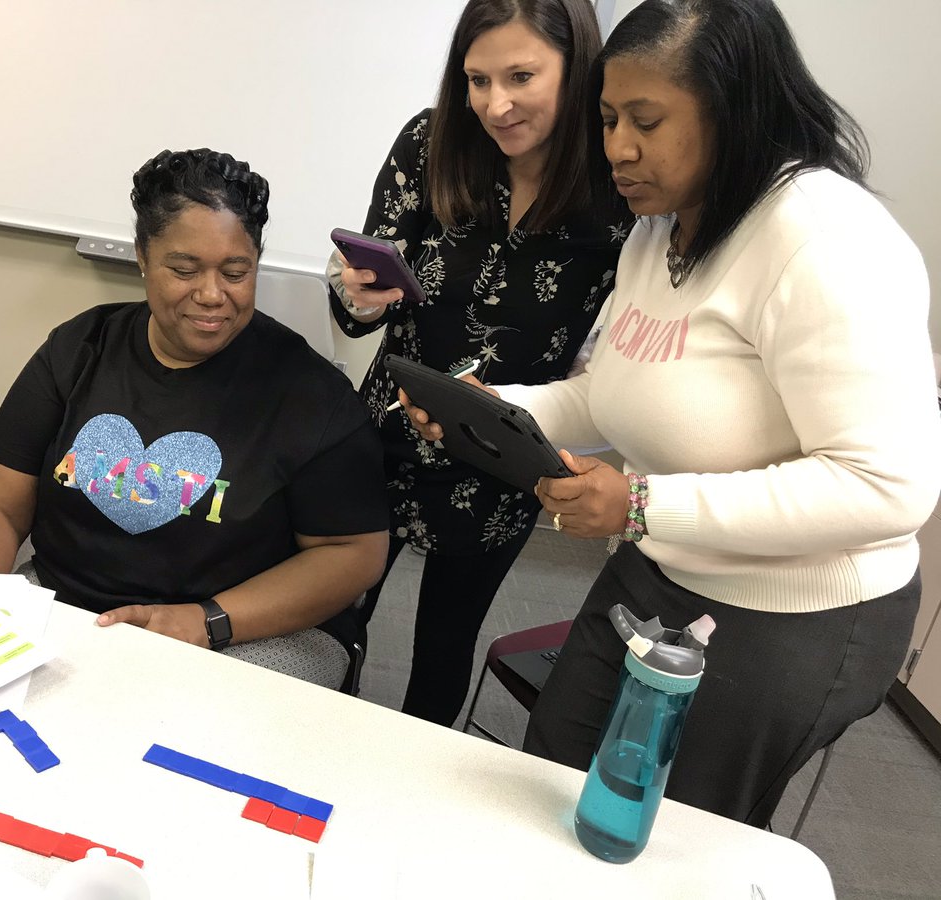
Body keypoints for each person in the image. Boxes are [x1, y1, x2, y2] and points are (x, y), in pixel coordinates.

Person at [403, 0, 941, 826]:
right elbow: (610, 391)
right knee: (555, 779)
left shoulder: (827, 241)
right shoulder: (659, 231)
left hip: (797, 610)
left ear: (736, 115)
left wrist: (645, 502)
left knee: (667, 834)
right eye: (610, 118)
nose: (616, 147)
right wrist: (493, 405)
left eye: (645, 122)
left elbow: (887, 486)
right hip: (666, 567)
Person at [0, 148, 389, 688]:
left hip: (245, 629)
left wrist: (206, 622)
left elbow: (354, 554)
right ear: (141, 257)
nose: (211, 295)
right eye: (183, 270)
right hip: (71, 603)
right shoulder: (79, 350)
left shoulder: (312, 395)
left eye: (235, 272)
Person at [327, 0, 630, 725]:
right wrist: (358, 298)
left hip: (500, 455)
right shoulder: (433, 143)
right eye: (477, 79)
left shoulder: (617, 191)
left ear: (577, 67)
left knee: (443, 647)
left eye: (521, 76)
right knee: (337, 618)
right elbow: (360, 302)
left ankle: (410, 799)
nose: (496, 104)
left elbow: (611, 362)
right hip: (387, 431)